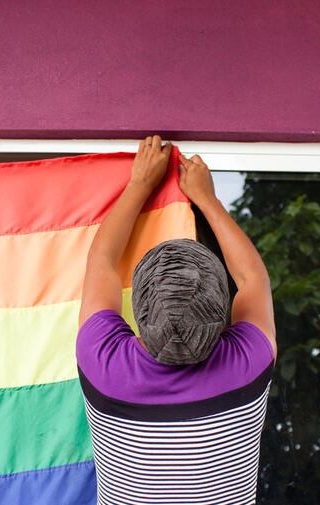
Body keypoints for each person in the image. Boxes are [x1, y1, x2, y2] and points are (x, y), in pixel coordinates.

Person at [76, 135, 277, 505]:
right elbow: (253, 280)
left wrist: (139, 184)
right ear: (223, 314)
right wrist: (207, 199)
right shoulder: (249, 363)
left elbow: (101, 262)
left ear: (137, 308)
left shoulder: (104, 364)